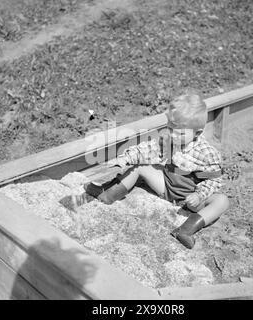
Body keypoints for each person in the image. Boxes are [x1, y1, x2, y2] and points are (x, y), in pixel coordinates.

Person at [70, 90, 229, 249]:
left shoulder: (207, 154)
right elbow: (146, 149)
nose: (172, 135)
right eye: (170, 128)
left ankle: (186, 230)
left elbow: (214, 180)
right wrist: (125, 158)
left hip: (191, 197)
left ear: (197, 133)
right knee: (141, 167)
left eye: (179, 133)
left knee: (221, 200)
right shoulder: (169, 139)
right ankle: (108, 193)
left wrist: (199, 195)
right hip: (167, 185)